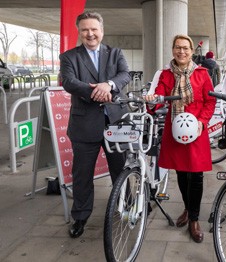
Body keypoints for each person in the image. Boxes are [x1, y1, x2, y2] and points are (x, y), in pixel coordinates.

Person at [59, 11, 131, 238]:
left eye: (94, 29)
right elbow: (69, 82)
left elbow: (124, 75)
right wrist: (98, 91)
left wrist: (108, 84)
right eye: (85, 30)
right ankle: (80, 217)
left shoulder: (115, 52)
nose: (90, 34)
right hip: (84, 125)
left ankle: (128, 206)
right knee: (82, 175)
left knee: (121, 170)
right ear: (79, 32)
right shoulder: (69, 57)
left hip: (116, 122)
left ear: (102, 31)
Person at [144, 35, 215, 243]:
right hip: (175, 129)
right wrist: (152, 100)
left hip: (197, 130)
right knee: (182, 173)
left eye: (185, 48)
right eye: (177, 47)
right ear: (173, 50)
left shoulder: (202, 74)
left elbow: (210, 102)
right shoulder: (165, 75)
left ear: (192, 51)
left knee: (197, 175)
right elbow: (158, 98)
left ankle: (194, 219)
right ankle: (187, 208)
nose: (181, 51)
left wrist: (202, 121)